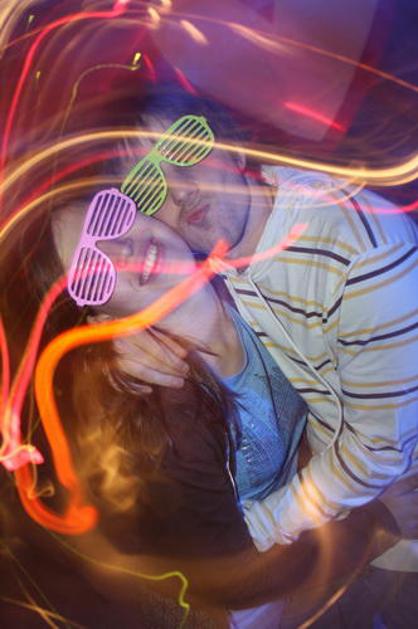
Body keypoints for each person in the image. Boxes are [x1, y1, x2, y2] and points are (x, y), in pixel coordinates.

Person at [115, 83, 418, 626]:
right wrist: (107, 344)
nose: (180, 191)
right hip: (341, 505)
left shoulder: (362, 254)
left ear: (231, 146)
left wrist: (258, 528)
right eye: (148, 186)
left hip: (400, 515)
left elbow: (379, 449)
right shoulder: (219, 259)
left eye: (185, 148)